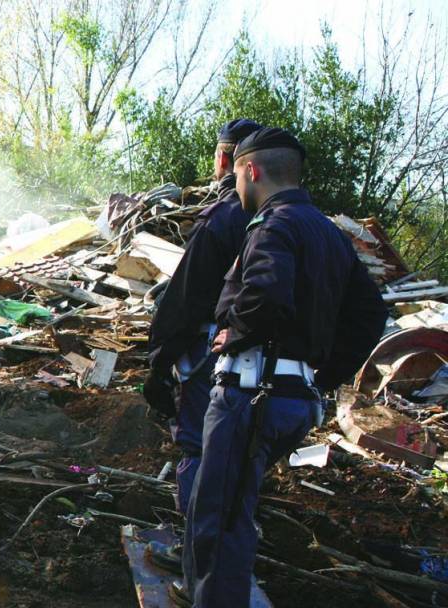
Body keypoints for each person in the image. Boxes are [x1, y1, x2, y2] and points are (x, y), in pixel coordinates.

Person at [181, 127, 387, 606]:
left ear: (251, 170)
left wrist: (239, 330)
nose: (235, 187)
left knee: (220, 518)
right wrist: (320, 375)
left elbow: (267, 290)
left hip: (250, 396)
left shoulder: (272, 225)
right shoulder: (328, 233)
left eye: (235, 176)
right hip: (292, 401)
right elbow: (371, 314)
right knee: (232, 507)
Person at [144, 119, 261, 532]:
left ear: (227, 158)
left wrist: (159, 360)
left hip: (213, 358)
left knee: (199, 446)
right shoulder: (295, 223)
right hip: (273, 371)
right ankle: (232, 548)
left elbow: (186, 298)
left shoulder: (224, 218)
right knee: (242, 456)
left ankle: (196, 552)